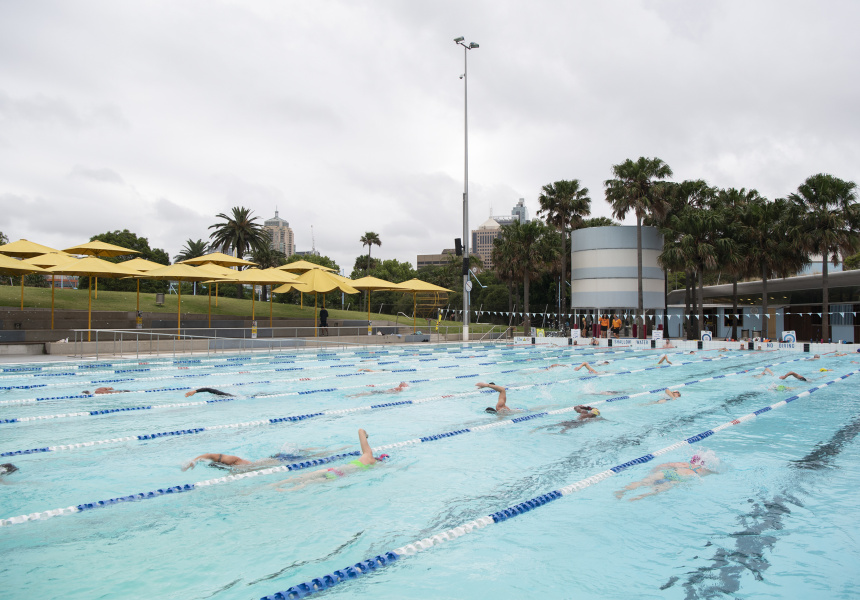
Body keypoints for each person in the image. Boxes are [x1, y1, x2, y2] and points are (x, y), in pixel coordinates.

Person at [272, 429, 389, 491]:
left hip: (332, 469)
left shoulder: (366, 455)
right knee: (308, 483)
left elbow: (360, 430)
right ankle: (290, 489)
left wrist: (366, 434)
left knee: (300, 477)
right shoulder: (371, 460)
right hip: (340, 474)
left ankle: (274, 484)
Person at [615, 453, 716, 501]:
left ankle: (622, 491)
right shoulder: (702, 470)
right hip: (680, 479)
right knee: (659, 489)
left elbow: (661, 466)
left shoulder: (683, 463)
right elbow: (714, 472)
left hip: (668, 473)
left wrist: (652, 472)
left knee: (643, 482)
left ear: (691, 460)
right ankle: (640, 496)